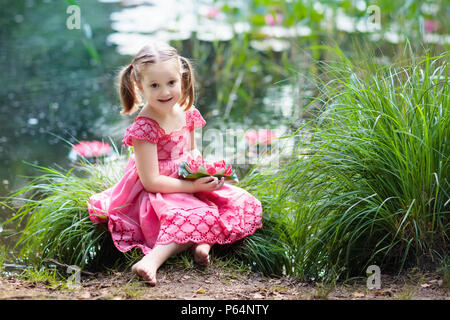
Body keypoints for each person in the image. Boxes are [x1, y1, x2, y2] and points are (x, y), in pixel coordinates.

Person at [88, 42, 263, 286]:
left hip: (185, 179)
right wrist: (193, 189)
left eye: (171, 83)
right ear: (140, 87)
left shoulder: (186, 111)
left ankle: (203, 242)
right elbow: (151, 181)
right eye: (154, 86)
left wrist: (206, 173)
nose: (165, 92)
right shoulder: (144, 127)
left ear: (181, 78)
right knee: (185, 215)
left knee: (242, 202)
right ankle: (152, 261)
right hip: (160, 190)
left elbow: (191, 150)